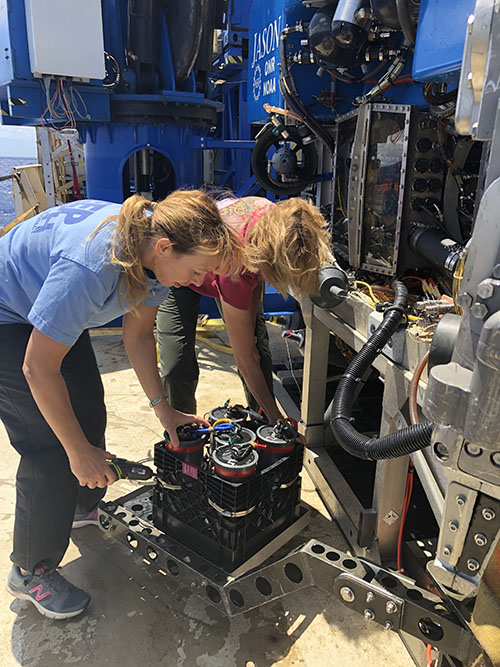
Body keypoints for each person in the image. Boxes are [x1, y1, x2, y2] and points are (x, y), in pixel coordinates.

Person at [0, 191, 243, 620]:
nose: (195, 282)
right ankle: (29, 569)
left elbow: (137, 334)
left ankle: (76, 507)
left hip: (45, 304)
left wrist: (162, 408)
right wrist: (77, 453)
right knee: (51, 445)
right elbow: (38, 369)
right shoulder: (92, 267)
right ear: (166, 248)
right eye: (197, 271)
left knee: (88, 410)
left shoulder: (155, 250)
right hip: (7, 317)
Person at [157, 195, 332, 424]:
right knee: (175, 365)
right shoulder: (235, 271)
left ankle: (263, 427)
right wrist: (277, 417)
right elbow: (244, 359)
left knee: (258, 345)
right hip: (178, 272)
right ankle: (183, 435)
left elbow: (252, 348)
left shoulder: (274, 217)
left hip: (231, 263)